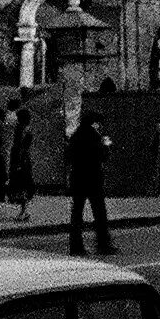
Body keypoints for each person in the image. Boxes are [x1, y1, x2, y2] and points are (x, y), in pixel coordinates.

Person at [66, 110, 115, 256]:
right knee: (99, 212)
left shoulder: (75, 136)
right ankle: (103, 244)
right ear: (94, 123)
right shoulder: (95, 136)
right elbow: (103, 156)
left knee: (77, 213)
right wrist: (106, 145)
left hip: (78, 177)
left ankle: (76, 246)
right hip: (93, 178)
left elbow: (68, 156)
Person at [7, 106, 36, 221]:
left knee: (20, 185)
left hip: (19, 160)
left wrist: (17, 162)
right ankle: (24, 211)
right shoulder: (27, 129)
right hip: (25, 159)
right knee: (24, 185)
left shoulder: (20, 129)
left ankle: (24, 211)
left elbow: (19, 146)